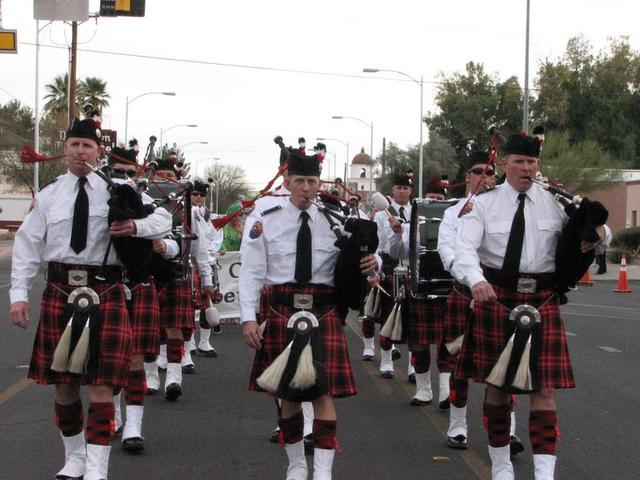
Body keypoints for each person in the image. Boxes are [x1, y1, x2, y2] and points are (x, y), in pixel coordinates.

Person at [9, 118, 170, 480]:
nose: (81, 151)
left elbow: (163, 219)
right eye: (75, 145)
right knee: (65, 388)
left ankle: (97, 469)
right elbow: (27, 246)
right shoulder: (49, 195)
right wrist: (19, 294)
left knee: (101, 386)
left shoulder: (120, 189)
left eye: (88, 145)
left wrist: (135, 227)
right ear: (66, 149)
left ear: (99, 151)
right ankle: (75, 458)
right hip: (60, 292)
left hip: (106, 291)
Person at [454, 133, 606, 479]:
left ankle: (544, 473)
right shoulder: (483, 204)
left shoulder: (556, 202)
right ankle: (502, 466)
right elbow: (464, 248)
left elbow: (600, 231)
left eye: (532, 162)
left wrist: (597, 236)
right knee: (497, 387)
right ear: (505, 164)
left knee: (544, 388)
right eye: (520, 162)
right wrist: (475, 280)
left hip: (542, 298)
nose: (526, 168)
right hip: (497, 297)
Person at [240, 152, 378, 479]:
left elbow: (366, 253)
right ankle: (297, 465)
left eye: (312, 181)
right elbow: (251, 271)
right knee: (288, 395)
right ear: (287, 183)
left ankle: (323, 473)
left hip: (324, 309)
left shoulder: (338, 220)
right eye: (299, 181)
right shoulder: (266, 217)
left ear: (320, 184)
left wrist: (376, 263)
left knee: (323, 393)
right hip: (280, 308)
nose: (305, 187)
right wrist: (248, 317)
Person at [436, 150, 526, 452]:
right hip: (467, 293)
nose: (484, 177)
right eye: (478, 171)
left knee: (506, 365)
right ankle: (458, 425)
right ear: (468, 177)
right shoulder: (452, 213)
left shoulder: (511, 207)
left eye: (489, 173)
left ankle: (507, 429)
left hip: (501, 298)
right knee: (459, 365)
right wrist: (475, 280)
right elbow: (448, 252)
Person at [107, 146, 173, 454]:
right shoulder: (94, 197)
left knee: (133, 356)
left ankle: (133, 425)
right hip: (102, 287)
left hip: (135, 282)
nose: (123, 178)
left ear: (137, 174)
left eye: (129, 173)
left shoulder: (144, 200)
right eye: (117, 171)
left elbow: (163, 223)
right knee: (105, 362)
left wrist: (135, 226)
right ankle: (114, 417)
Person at [367, 172, 412, 379]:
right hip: (387, 265)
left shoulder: (417, 212)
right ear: (392, 190)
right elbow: (374, 245)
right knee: (387, 315)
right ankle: (386, 361)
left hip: (411, 266)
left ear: (410, 190)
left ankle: (413, 366)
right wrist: (376, 269)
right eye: (398, 188)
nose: (402, 191)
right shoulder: (380, 215)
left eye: (405, 188)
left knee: (412, 316)